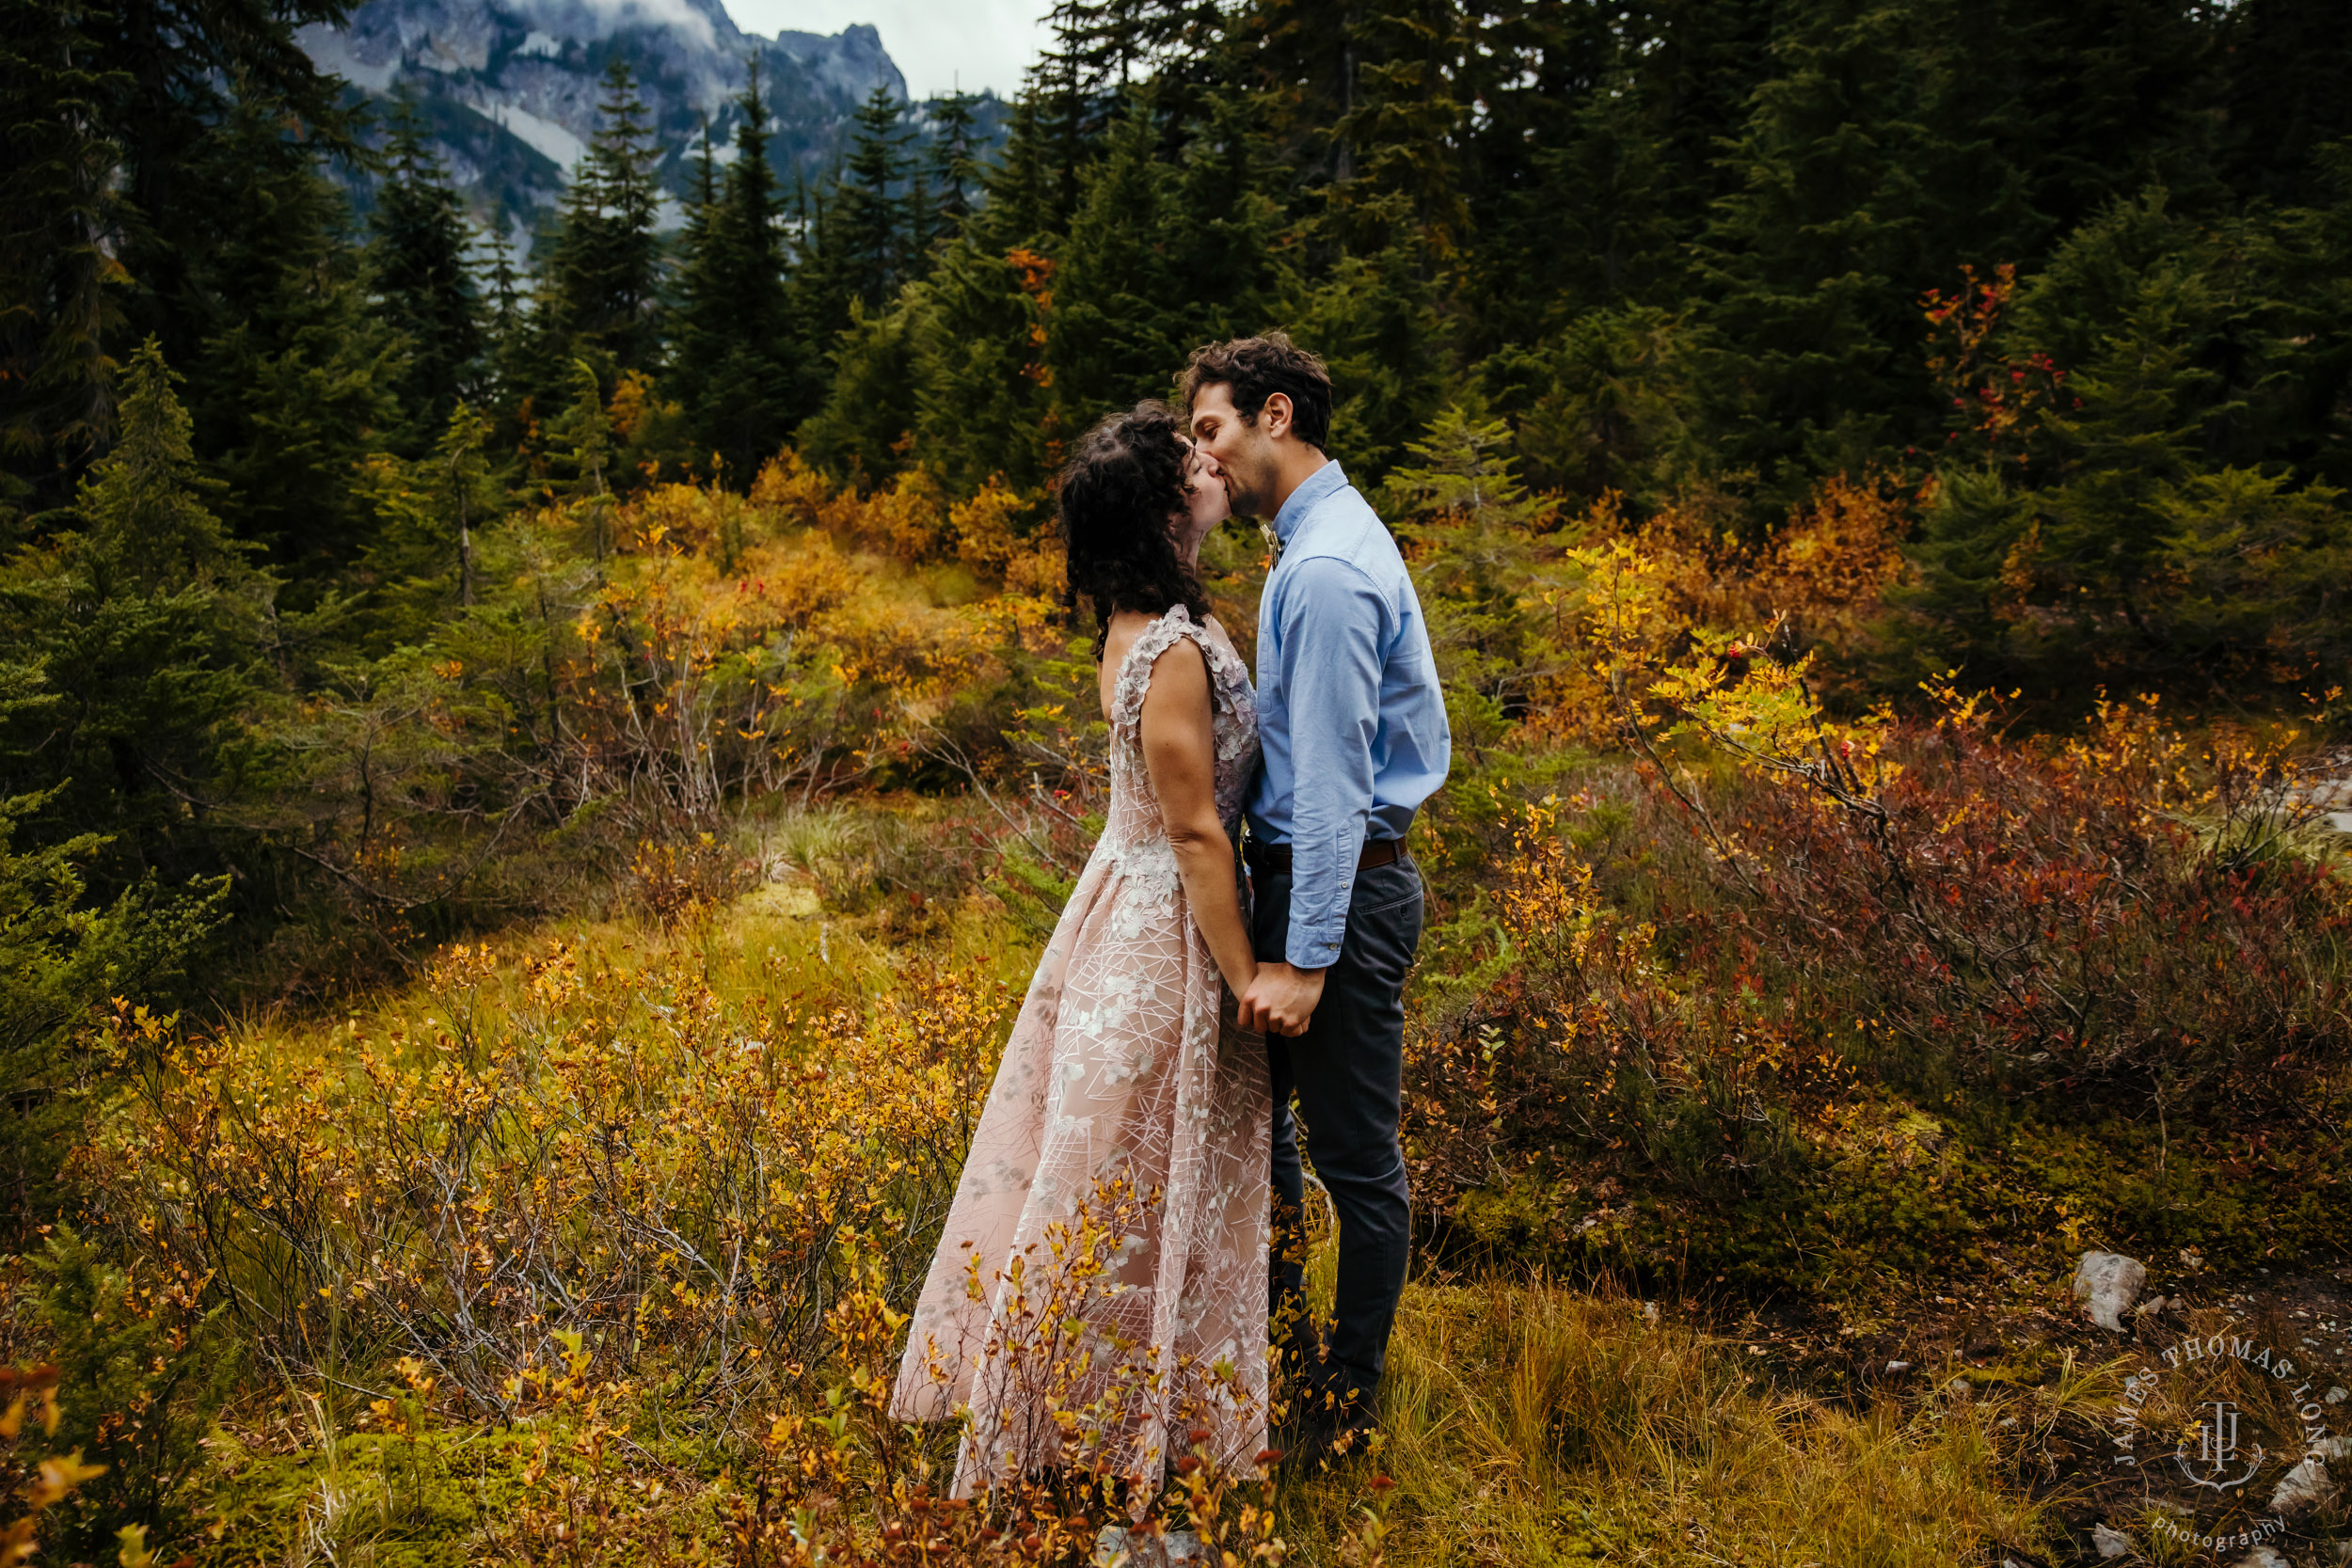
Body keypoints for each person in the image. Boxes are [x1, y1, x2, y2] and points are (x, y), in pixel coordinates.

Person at [889, 402, 1272, 1519]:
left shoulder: (1141, 622)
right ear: (1161, 512)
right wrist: (1246, 971)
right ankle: (1096, 1438)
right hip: (1160, 932)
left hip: (1125, 906)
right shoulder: (1173, 648)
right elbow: (1196, 828)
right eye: (1190, 465)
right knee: (1124, 1186)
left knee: (1112, 1182)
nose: (1210, 468)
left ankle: (1104, 1419)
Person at [1184, 333, 1452, 1444]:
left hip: (1334, 891)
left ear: (1275, 416)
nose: (1203, 456)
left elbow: (1338, 788)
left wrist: (1304, 956)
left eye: (1212, 429)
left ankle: (1343, 1400)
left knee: (1354, 1157)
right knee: (1272, 1144)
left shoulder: (1331, 568)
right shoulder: (1313, 543)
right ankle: (1280, 1358)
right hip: (1299, 883)